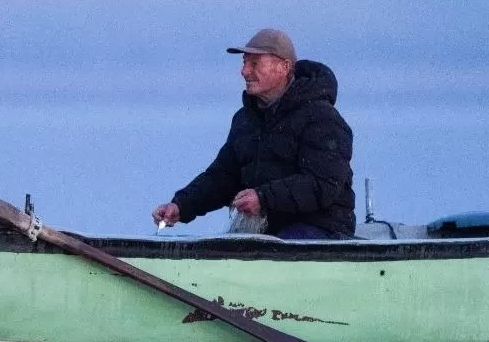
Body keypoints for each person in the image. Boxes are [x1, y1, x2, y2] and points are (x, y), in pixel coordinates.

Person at [152, 29, 355, 239]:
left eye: (254, 63)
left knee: (276, 250)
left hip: (322, 231)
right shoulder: (245, 120)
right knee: (233, 248)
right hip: (267, 234)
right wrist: (181, 206)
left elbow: (323, 184)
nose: (244, 71)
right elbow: (223, 177)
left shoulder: (322, 118)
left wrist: (264, 198)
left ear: (284, 67)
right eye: (244, 62)